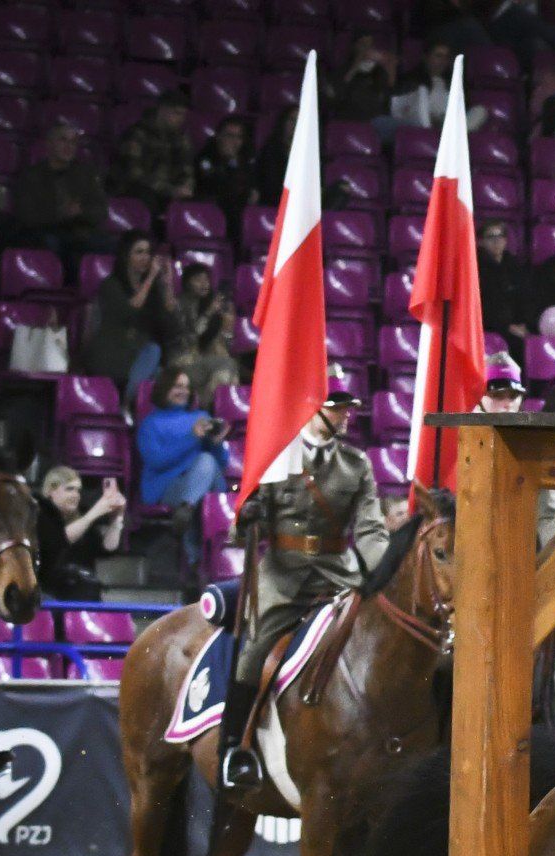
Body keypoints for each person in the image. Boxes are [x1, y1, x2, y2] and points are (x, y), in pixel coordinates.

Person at [219, 373, 389, 791]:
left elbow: (369, 530)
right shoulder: (276, 455)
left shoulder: (356, 464)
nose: (347, 415)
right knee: (254, 653)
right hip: (284, 573)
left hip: (338, 572)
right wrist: (248, 514)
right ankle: (234, 749)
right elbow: (238, 531)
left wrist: (384, 570)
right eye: (338, 407)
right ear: (313, 408)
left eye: (349, 408)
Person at [136, 366, 228, 564]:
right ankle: (207, 561)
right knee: (204, 491)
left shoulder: (201, 417)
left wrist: (217, 443)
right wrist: (191, 437)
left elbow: (222, 463)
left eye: (187, 387)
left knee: (208, 461)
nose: (184, 391)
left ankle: (187, 511)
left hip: (200, 484)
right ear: (164, 388)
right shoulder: (151, 424)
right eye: (178, 386)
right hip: (168, 485)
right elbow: (157, 461)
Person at [474, 354, 555, 546]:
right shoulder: (463, 436)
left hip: (520, 543)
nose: (508, 403)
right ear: (481, 396)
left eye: (514, 396)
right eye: (498, 395)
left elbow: (549, 515)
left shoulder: (533, 443)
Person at [80, 232, 178, 400]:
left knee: (167, 378)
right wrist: (151, 278)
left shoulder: (153, 290)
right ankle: (127, 403)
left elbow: (171, 325)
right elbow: (128, 312)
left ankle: (130, 407)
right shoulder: (110, 285)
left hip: (139, 355)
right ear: (126, 256)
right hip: (111, 353)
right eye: (139, 252)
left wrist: (167, 285)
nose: (145, 257)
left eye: (148, 252)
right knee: (154, 354)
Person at [9, 121, 110, 267]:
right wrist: (61, 213)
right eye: (63, 140)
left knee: (110, 245)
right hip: (46, 232)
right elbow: (25, 215)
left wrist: (81, 211)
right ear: (49, 143)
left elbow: (101, 210)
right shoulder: (32, 176)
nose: (69, 146)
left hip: (79, 232)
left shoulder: (86, 174)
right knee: (52, 244)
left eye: (73, 142)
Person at [36, 466, 126, 602]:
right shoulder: (39, 515)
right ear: (51, 491)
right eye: (69, 489)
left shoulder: (82, 516)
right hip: (51, 593)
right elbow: (59, 539)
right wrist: (95, 512)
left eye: (78, 490)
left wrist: (116, 519)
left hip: (83, 593)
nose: (76, 495)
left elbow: (108, 548)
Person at [110, 91, 196, 213]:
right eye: (177, 113)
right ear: (162, 110)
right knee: (146, 197)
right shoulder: (137, 134)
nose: (181, 119)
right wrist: (168, 189)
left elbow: (186, 168)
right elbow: (133, 173)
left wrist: (186, 186)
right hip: (141, 191)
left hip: (169, 192)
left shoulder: (180, 138)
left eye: (183, 115)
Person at [167, 263, 240, 400]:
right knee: (226, 366)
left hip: (201, 362)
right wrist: (209, 313)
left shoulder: (208, 305)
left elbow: (223, 347)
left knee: (228, 370)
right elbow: (189, 339)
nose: (204, 283)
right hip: (180, 363)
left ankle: (220, 410)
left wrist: (228, 329)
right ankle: (211, 409)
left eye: (206, 279)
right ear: (187, 283)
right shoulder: (179, 305)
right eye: (198, 279)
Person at [391, 42, 488, 134]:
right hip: (424, 120)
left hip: (449, 122)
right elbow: (404, 107)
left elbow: (462, 108)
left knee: (480, 110)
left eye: (446, 57)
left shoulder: (453, 82)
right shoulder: (411, 79)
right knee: (422, 92)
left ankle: (455, 136)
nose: (443, 61)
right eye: (438, 56)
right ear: (426, 57)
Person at [477, 221, 532, 357]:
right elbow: (482, 306)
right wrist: (507, 326)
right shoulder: (476, 267)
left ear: (506, 241)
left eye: (500, 236)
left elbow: (524, 299)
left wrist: (524, 324)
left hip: (515, 326)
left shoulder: (514, 267)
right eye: (491, 237)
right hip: (490, 326)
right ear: (481, 242)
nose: (496, 241)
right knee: (516, 345)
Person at [327, 32, 399, 127]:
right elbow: (335, 94)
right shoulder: (344, 69)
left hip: (374, 123)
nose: (366, 49)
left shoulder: (378, 72)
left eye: (370, 46)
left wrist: (391, 67)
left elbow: (389, 93)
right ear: (355, 46)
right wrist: (356, 64)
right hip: (348, 119)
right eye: (363, 45)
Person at [195, 116, 257, 224]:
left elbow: (249, 185)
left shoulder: (245, 158)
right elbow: (213, 186)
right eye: (230, 136)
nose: (234, 141)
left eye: (239, 137)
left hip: (238, 213)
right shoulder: (205, 157)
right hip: (210, 212)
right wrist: (231, 163)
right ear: (218, 136)